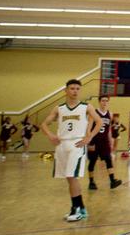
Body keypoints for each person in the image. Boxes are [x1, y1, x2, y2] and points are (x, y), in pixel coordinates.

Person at [40, 79, 103, 221]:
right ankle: (81, 208)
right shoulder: (59, 108)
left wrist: (89, 137)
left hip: (77, 144)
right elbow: (44, 124)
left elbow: (99, 121)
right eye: (72, 88)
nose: (75, 91)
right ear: (66, 91)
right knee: (69, 178)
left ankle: (76, 209)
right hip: (62, 145)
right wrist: (50, 135)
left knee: (71, 175)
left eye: (77, 88)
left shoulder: (86, 107)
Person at [87, 95, 122, 190]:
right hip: (94, 140)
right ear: (99, 101)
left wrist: (111, 141)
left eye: (106, 101)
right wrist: (89, 141)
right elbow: (89, 127)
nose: (105, 102)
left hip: (104, 141)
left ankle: (112, 181)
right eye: (103, 100)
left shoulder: (110, 114)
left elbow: (109, 130)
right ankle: (91, 182)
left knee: (108, 159)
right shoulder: (94, 113)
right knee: (92, 161)